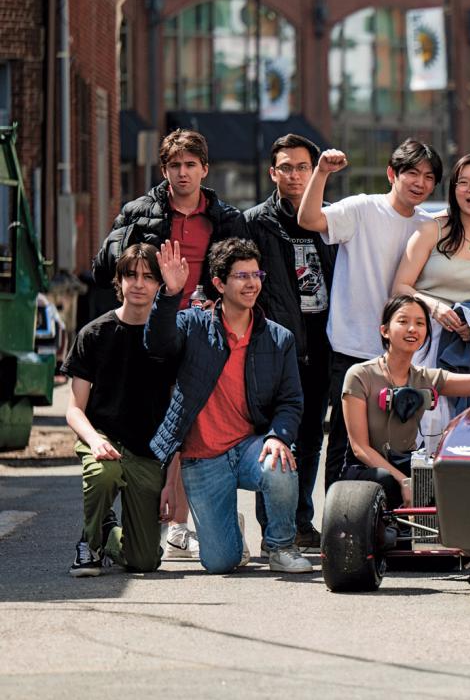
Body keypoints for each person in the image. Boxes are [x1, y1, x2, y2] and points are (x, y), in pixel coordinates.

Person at [91, 128, 249, 560]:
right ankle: (170, 520)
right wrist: (129, 243)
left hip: (204, 329)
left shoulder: (226, 217)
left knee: (200, 419)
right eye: (175, 166)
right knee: (162, 418)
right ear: (164, 170)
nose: (183, 173)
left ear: (204, 169)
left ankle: (196, 519)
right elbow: (103, 268)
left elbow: (241, 271)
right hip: (152, 327)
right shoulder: (138, 212)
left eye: (190, 165)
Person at [146, 238, 311, 574]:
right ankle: (229, 526)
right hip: (203, 458)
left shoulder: (279, 338)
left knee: (280, 464)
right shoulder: (193, 325)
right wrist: (169, 294)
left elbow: (291, 400)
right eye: (241, 276)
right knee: (220, 562)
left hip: (250, 447)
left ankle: (281, 546)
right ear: (219, 284)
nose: (252, 283)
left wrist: (278, 436)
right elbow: (156, 344)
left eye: (256, 274)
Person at [298, 141, 438, 490]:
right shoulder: (362, 209)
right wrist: (321, 172)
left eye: (429, 176)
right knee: (347, 444)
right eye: (412, 173)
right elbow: (309, 219)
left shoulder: (429, 226)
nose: (419, 182)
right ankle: (337, 526)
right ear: (392, 174)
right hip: (353, 348)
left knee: (400, 443)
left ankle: (386, 523)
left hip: (404, 353)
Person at [245, 133, 336, 551]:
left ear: (315, 171)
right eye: (287, 167)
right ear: (273, 173)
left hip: (323, 344)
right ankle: (273, 528)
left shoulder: (330, 220)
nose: (295, 175)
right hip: (276, 348)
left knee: (313, 435)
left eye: (303, 167)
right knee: (279, 435)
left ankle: (301, 519)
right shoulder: (254, 224)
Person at [64, 244, 177, 576]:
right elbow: (74, 409)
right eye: (130, 275)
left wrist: (171, 479)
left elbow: (178, 417)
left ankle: (107, 532)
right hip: (103, 438)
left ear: (160, 285)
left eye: (148, 277)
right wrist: (93, 440)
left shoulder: (168, 341)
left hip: (146, 451)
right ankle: (88, 544)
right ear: (119, 281)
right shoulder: (94, 334)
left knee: (144, 561)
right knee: (104, 473)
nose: (138, 283)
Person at [340, 295, 470, 508]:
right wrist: (403, 481)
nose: (412, 329)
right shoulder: (360, 375)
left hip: (407, 466)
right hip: (366, 472)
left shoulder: (427, 378)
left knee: (451, 483)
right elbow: (360, 447)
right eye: (403, 321)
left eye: (420, 323)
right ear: (384, 330)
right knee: (387, 482)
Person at [392, 153, 470, 433]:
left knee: (463, 427)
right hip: (422, 338)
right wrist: (434, 307)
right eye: (463, 182)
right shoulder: (431, 229)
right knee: (420, 422)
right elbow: (399, 287)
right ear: (453, 190)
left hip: (465, 349)